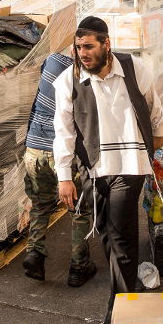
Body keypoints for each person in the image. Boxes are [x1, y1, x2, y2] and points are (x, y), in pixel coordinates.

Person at [52, 16, 163, 324]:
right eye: (78, 47)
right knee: (106, 231)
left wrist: (155, 147)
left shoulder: (134, 68)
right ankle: (127, 284)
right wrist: (64, 176)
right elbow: (63, 132)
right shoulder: (67, 81)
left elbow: (154, 109)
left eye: (89, 46)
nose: (83, 53)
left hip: (130, 164)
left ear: (106, 44)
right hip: (94, 166)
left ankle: (119, 308)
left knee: (120, 234)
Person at [22, 52, 96, 287]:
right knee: (79, 209)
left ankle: (34, 254)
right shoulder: (85, 76)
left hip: (34, 149)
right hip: (63, 152)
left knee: (40, 204)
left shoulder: (52, 61)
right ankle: (79, 266)